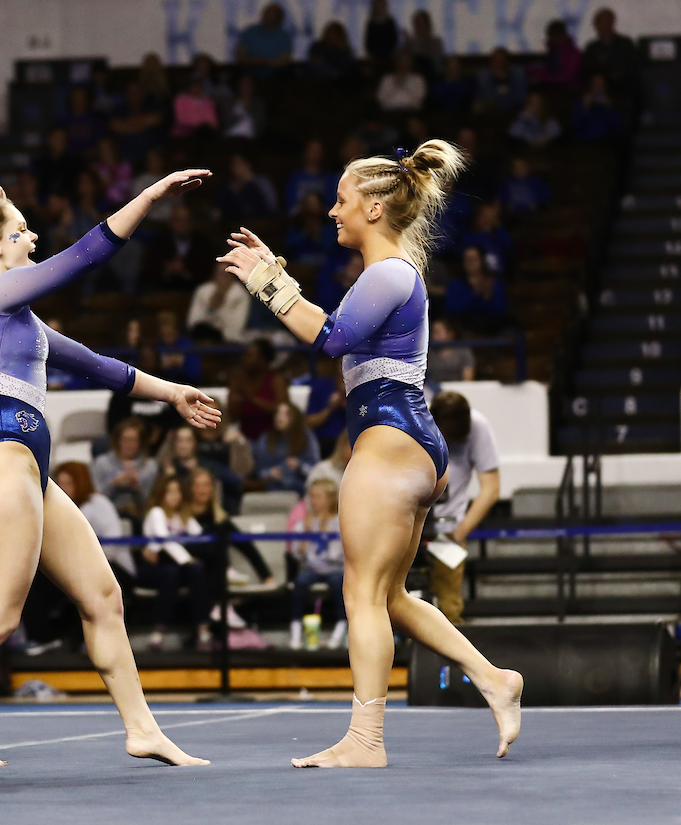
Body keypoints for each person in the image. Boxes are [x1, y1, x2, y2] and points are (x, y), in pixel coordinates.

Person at [0, 168, 218, 776]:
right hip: (3, 463)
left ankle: (142, 730)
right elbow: (84, 257)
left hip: (29, 471)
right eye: (21, 231)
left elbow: (96, 364)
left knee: (103, 596)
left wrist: (172, 394)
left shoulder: (16, 318)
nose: (31, 238)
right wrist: (148, 197)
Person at [219, 138, 521, 768]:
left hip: (390, 440)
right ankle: (494, 678)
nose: (333, 212)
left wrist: (266, 281)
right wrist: (271, 275)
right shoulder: (391, 274)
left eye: (342, 200)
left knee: (360, 594)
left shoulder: (386, 273)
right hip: (406, 438)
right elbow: (337, 332)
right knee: (389, 598)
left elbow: (330, 340)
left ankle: (366, 739)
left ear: (376, 208)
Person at [428, 391, 500, 625]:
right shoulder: (412, 422)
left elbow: (491, 488)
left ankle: (449, 657)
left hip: (448, 526)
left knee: (448, 603)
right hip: (408, 521)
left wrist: (459, 533)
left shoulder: (478, 427)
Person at [188, 466, 274, 628]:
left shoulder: (218, 515)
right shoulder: (183, 515)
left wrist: (265, 574)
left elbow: (245, 544)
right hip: (187, 568)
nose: (203, 490)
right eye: (198, 485)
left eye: (206, 485)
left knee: (220, 530)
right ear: (191, 488)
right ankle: (222, 600)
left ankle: (220, 606)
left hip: (211, 570)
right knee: (213, 548)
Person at [141, 476, 213, 651]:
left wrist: (191, 559)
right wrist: (188, 559)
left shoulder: (183, 515)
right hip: (155, 566)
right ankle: (157, 633)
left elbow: (200, 537)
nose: (175, 496)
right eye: (170, 492)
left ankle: (204, 631)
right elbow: (165, 541)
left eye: (178, 492)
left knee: (196, 570)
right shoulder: (157, 512)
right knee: (171, 573)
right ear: (162, 494)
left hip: (178, 566)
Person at [289, 478, 346, 649]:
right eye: (312, 497)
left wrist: (326, 535)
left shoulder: (340, 522)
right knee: (300, 582)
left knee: (338, 582)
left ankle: (342, 626)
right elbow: (297, 554)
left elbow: (340, 555)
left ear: (330, 499)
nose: (314, 501)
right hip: (312, 568)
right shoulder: (305, 522)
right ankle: (296, 627)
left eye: (319, 497)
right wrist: (307, 533)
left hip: (335, 568)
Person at [91, 416, 159, 521]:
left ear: (140, 442)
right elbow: (94, 499)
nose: (129, 445)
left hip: (140, 515)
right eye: (126, 440)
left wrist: (137, 488)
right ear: (118, 440)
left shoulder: (150, 466)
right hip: (107, 514)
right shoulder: (101, 463)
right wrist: (113, 484)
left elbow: (153, 502)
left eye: (133, 440)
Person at [227, 338, 288, 441]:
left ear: (262, 360)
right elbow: (232, 417)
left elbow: (282, 411)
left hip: (273, 439)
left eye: (249, 355)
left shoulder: (276, 380)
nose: (244, 359)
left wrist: (251, 398)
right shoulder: (238, 380)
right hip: (244, 438)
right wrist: (236, 400)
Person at [252, 401, 319, 493]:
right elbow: (258, 471)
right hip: (273, 488)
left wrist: (299, 466)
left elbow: (315, 469)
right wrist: (270, 473)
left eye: (285, 414)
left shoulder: (306, 437)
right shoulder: (266, 439)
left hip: (300, 488)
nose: (279, 417)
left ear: (295, 418)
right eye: (278, 413)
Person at [187, 262, 250, 343]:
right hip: (202, 337)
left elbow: (236, 328)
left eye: (226, 274)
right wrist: (211, 307)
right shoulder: (203, 291)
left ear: (233, 276)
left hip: (227, 341)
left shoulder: (240, 295)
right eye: (219, 273)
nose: (222, 277)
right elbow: (193, 322)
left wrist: (221, 304)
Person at [235, 4, 293, 77]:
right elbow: (239, 54)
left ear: (279, 18)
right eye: (266, 13)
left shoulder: (284, 37)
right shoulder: (250, 31)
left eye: (271, 15)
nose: (267, 17)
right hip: (250, 71)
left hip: (275, 75)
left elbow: (284, 60)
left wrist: (264, 62)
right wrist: (253, 61)